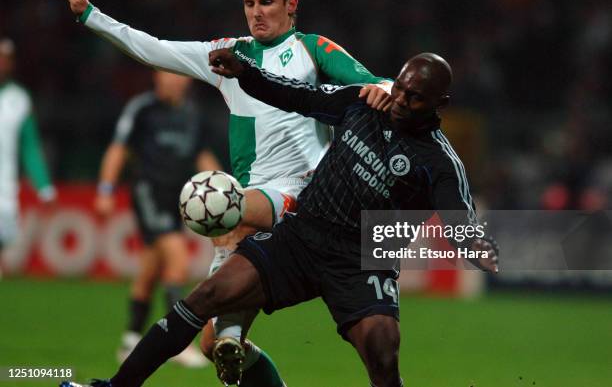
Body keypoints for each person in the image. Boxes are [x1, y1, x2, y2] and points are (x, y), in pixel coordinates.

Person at [45, 0, 391, 386]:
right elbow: (155, 47)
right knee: (211, 344)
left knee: (226, 207)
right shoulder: (231, 54)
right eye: (249, 3)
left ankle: (223, 333)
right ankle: (228, 339)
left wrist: (386, 91)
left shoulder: (312, 48)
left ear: (291, 4)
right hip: (256, 194)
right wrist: (91, 16)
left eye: (267, 1)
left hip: (305, 193)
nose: (257, 11)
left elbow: (377, 82)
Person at [59, 51, 498, 387]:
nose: (400, 99)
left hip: (362, 258)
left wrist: (475, 246)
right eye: (399, 87)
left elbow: (459, 219)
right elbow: (295, 94)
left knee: (383, 354)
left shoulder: (440, 160)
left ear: (440, 102)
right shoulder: (363, 104)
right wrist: (246, 70)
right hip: (302, 236)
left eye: (414, 97)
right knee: (208, 295)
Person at [95, 70, 221, 368]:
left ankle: (129, 339)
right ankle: (180, 344)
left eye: (178, 76)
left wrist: (226, 186)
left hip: (178, 199)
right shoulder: (142, 109)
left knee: (151, 268)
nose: (173, 81)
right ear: (155, 77)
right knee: (177, 261)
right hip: (147, 192)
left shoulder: (193, 114)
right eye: (167, 75)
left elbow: (202, 156)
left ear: (187, 80)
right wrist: (105, 188)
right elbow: (118, 149)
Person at [0, 38, 56, 277]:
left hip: (3, 191)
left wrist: (43, 186)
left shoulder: (19, 100)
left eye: (5, 59)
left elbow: (29, 146)